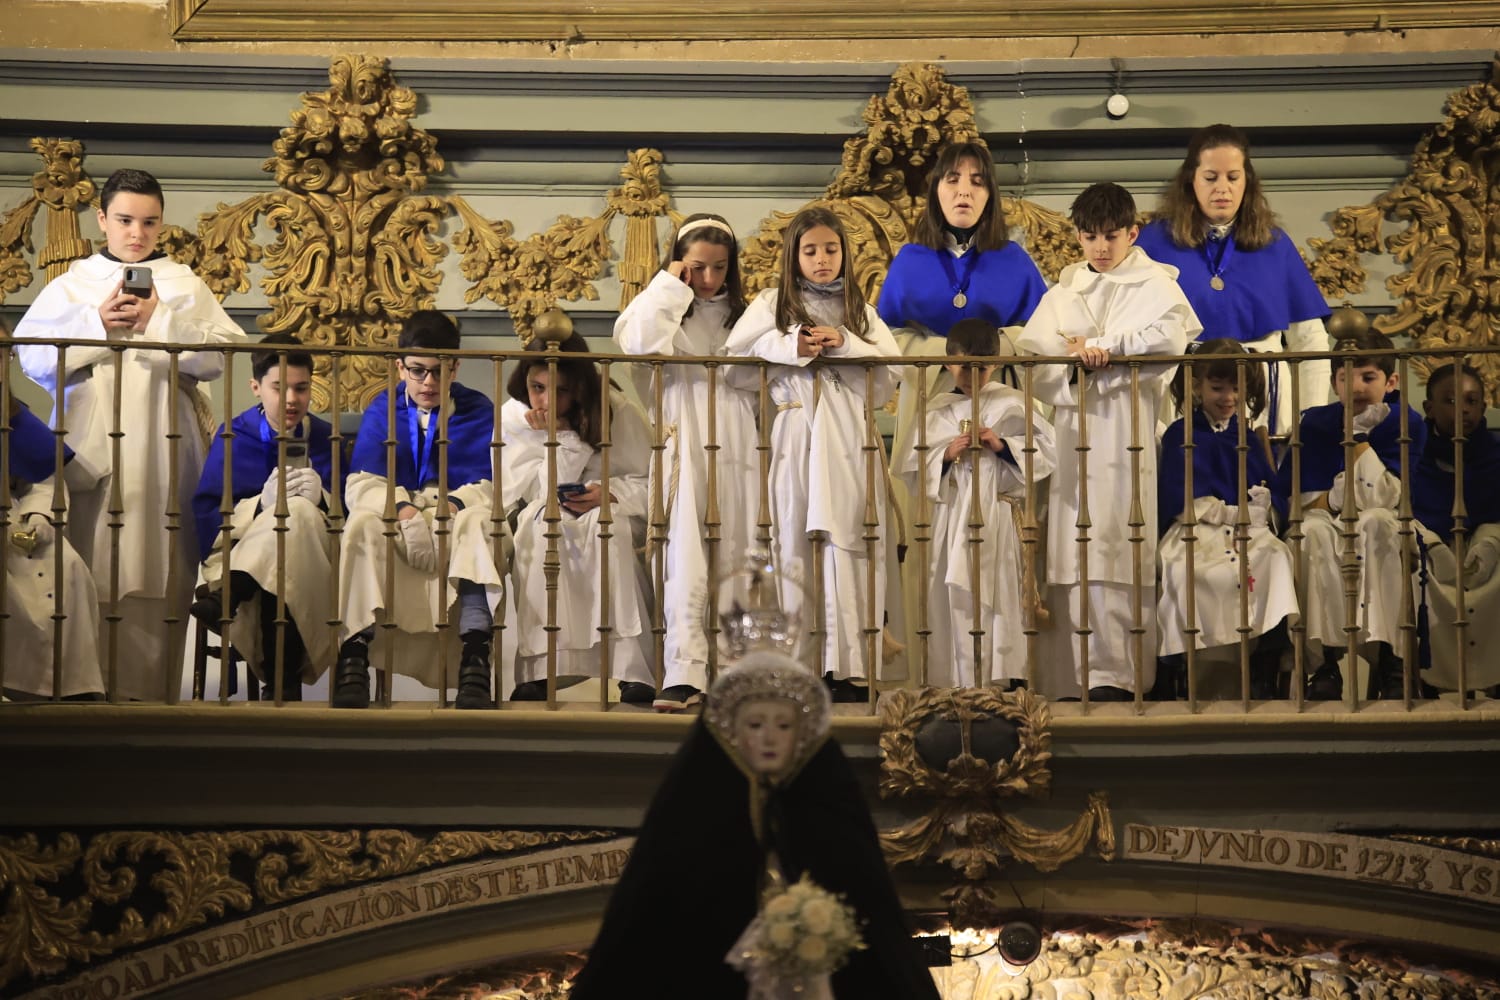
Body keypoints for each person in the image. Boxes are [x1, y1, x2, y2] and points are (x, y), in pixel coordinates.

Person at [569, 653, 943, 1000]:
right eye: (754, 724)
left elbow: (869, 913)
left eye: (783, 724)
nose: (768, 737)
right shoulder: (695, 822)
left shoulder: (826, 804)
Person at [13, 167, 246, 701]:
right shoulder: (71, 284)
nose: (136, 233)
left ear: (162, 224)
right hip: (88, 445)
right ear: (102, 220)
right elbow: (29, 356)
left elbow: (223, 357)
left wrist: (161, 320)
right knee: (82, 563)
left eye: (149, 222)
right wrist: (97, 322)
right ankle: (74, 693)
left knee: (159, 566)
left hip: (165, 448)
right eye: (124, 220)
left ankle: (151, 702)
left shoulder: (184, 284)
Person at [1015, 182, 1200, 701]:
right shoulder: (1063, 293)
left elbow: (1168, 340)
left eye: (1111, 236)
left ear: (1132, 234)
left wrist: (1102, 348)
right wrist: (1084, 366)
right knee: (1076, 553)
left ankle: (1120, 678)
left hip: (1128, 433)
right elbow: (1040, 362)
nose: (1100, 247)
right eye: (1090, 236)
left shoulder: (1157, 286)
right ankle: (1072, 677)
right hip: (1078, 434)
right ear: (1077, 236)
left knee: (1122, 547)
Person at [726, 205, 904, 700]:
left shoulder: (859, 312)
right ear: (794, 257)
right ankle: (802, 666)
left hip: (849, 435)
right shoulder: (770, 304)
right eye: (810, 251)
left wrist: (845, 343)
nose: (822, 259)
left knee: (851, 543)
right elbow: (734, 364)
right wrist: (793, 346)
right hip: (797, 432)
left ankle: (848, 666)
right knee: (794, 541)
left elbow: (893, 373)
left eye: (831, 249)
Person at [613, 213, 760, 711]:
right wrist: (672, 287)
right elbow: (636, 343)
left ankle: (738, 671)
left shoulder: (749, 313)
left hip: (741, 441)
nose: (710, 280)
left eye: (720, 268)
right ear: (678, 262)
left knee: (742, 556)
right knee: (683, 557)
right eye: (698, 267)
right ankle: (684, 672)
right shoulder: (661, 304)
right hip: (682, 441)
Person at [333, 311, 506, 710]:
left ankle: (475, 657)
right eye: (417, 371)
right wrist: (402, 509)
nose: (428, 383)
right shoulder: (384, 409)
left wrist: (455, 503)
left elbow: (493, 484)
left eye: (438, 371)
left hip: (455, 510)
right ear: (400, 367)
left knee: (481, 523)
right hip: (400, 512)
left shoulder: (478, 409)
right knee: (360, 525)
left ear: (455, 366)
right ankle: (354, 654)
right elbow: (360, 483)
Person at [876, 141, 1047, 512]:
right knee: (932, 512)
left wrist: (994, 347)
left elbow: (1043, 333)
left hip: (1000, 391)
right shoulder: (910, 259)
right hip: (929, 392)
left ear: (991, 195)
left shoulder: (1013, 259)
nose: (964, 191)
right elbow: (886, 338)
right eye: (952, 180)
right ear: (937, 190)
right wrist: (945, 353)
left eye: (977, 181)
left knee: (999, 512)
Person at [1135, 124, 1331, 436]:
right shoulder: (1154, 244)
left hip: (1263, 395)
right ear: (1191, 180)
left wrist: (1310, 418)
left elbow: (1310, 340)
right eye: (1211, 178)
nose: (1222, 188)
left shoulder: (1274, 244)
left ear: (1247, 182)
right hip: (1183, 392)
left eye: (1233, 177)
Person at [501, 333, 656, 704]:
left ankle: (632, 669)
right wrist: (563, 439)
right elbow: (524, 490)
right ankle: (540, 669)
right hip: (542, 511)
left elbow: (650, 481)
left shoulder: (617, 409)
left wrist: (609, 492)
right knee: (545, 528)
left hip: (614, 509)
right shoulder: (514, 416)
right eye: (537, 388)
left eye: (562, 390)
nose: (547, 401)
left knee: (607, 529)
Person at [904, 318, 1055, 689]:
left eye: (982, 368)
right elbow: (910, 468)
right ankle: (954, 683)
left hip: (998, 517)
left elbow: (1048, 453)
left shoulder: (1014, 403)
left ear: (996, 364)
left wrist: (1003, 447)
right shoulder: (936, 409)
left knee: (999, 594)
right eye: (962, 367)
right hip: (952, 515)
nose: (971, 376)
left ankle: (1000, 682)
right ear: (947, 363)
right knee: (950, 595)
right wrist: (943, 454)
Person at [190, 334, 342, 701]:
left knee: (300, 514)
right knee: (284, 522)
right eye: (280, 387)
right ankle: (283, 676)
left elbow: (350, 518)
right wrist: (260, 506)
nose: (292, 399)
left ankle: (232, 593)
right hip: (237, 549)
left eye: (301, 388)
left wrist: (323, 499)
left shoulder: (326, 438)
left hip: (317, 559)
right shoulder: (234, 436)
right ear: (256, 387)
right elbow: (207, 512)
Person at [1277, 326, 1426, 701]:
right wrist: (1336, 501)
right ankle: (1325, 662)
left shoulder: (1405, 422)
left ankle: (1393, 657)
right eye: (1346, 378)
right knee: (1311, 532)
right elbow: (1301, 498)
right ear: (1333, 382)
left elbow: (1391, 498)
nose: (1357, 387)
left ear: (1391, 381)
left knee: (1378, 523)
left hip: (1387, 521)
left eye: (1368, 377)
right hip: (1324, 521)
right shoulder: (1314, 422)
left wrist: (1358, 441)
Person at [1155, 340, 1297, 700]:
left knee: (1276, 559)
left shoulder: (1246, 436)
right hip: (1196, 530)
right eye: (1218, 388)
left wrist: (1264, 504)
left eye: (1236, 389)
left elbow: (1270, 488)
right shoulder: (1180, 434)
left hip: (1247, 531)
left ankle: (1266, 666)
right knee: (1188, 571)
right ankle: (1174, 672)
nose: (1228, 397)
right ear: (1196, 386)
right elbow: (1178, 496)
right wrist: (1224, 512)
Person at [1, 392, 103, 701]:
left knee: (66, 564)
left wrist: (38, 514)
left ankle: (70, 686)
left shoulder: (11, 412)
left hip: (9, 516)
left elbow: (45, 478)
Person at [1411, 361, 1499, 694]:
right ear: (1428, 408)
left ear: (1484, 406)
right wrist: (1430, 543)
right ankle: (1422, 677)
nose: (1462, 410)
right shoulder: (1412, 451)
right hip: (1429, 555)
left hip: (1487, 552)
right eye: (1450, 401)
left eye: (1472, 401)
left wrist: (1490, 540)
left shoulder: (1495, 455)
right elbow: (1400, 511)